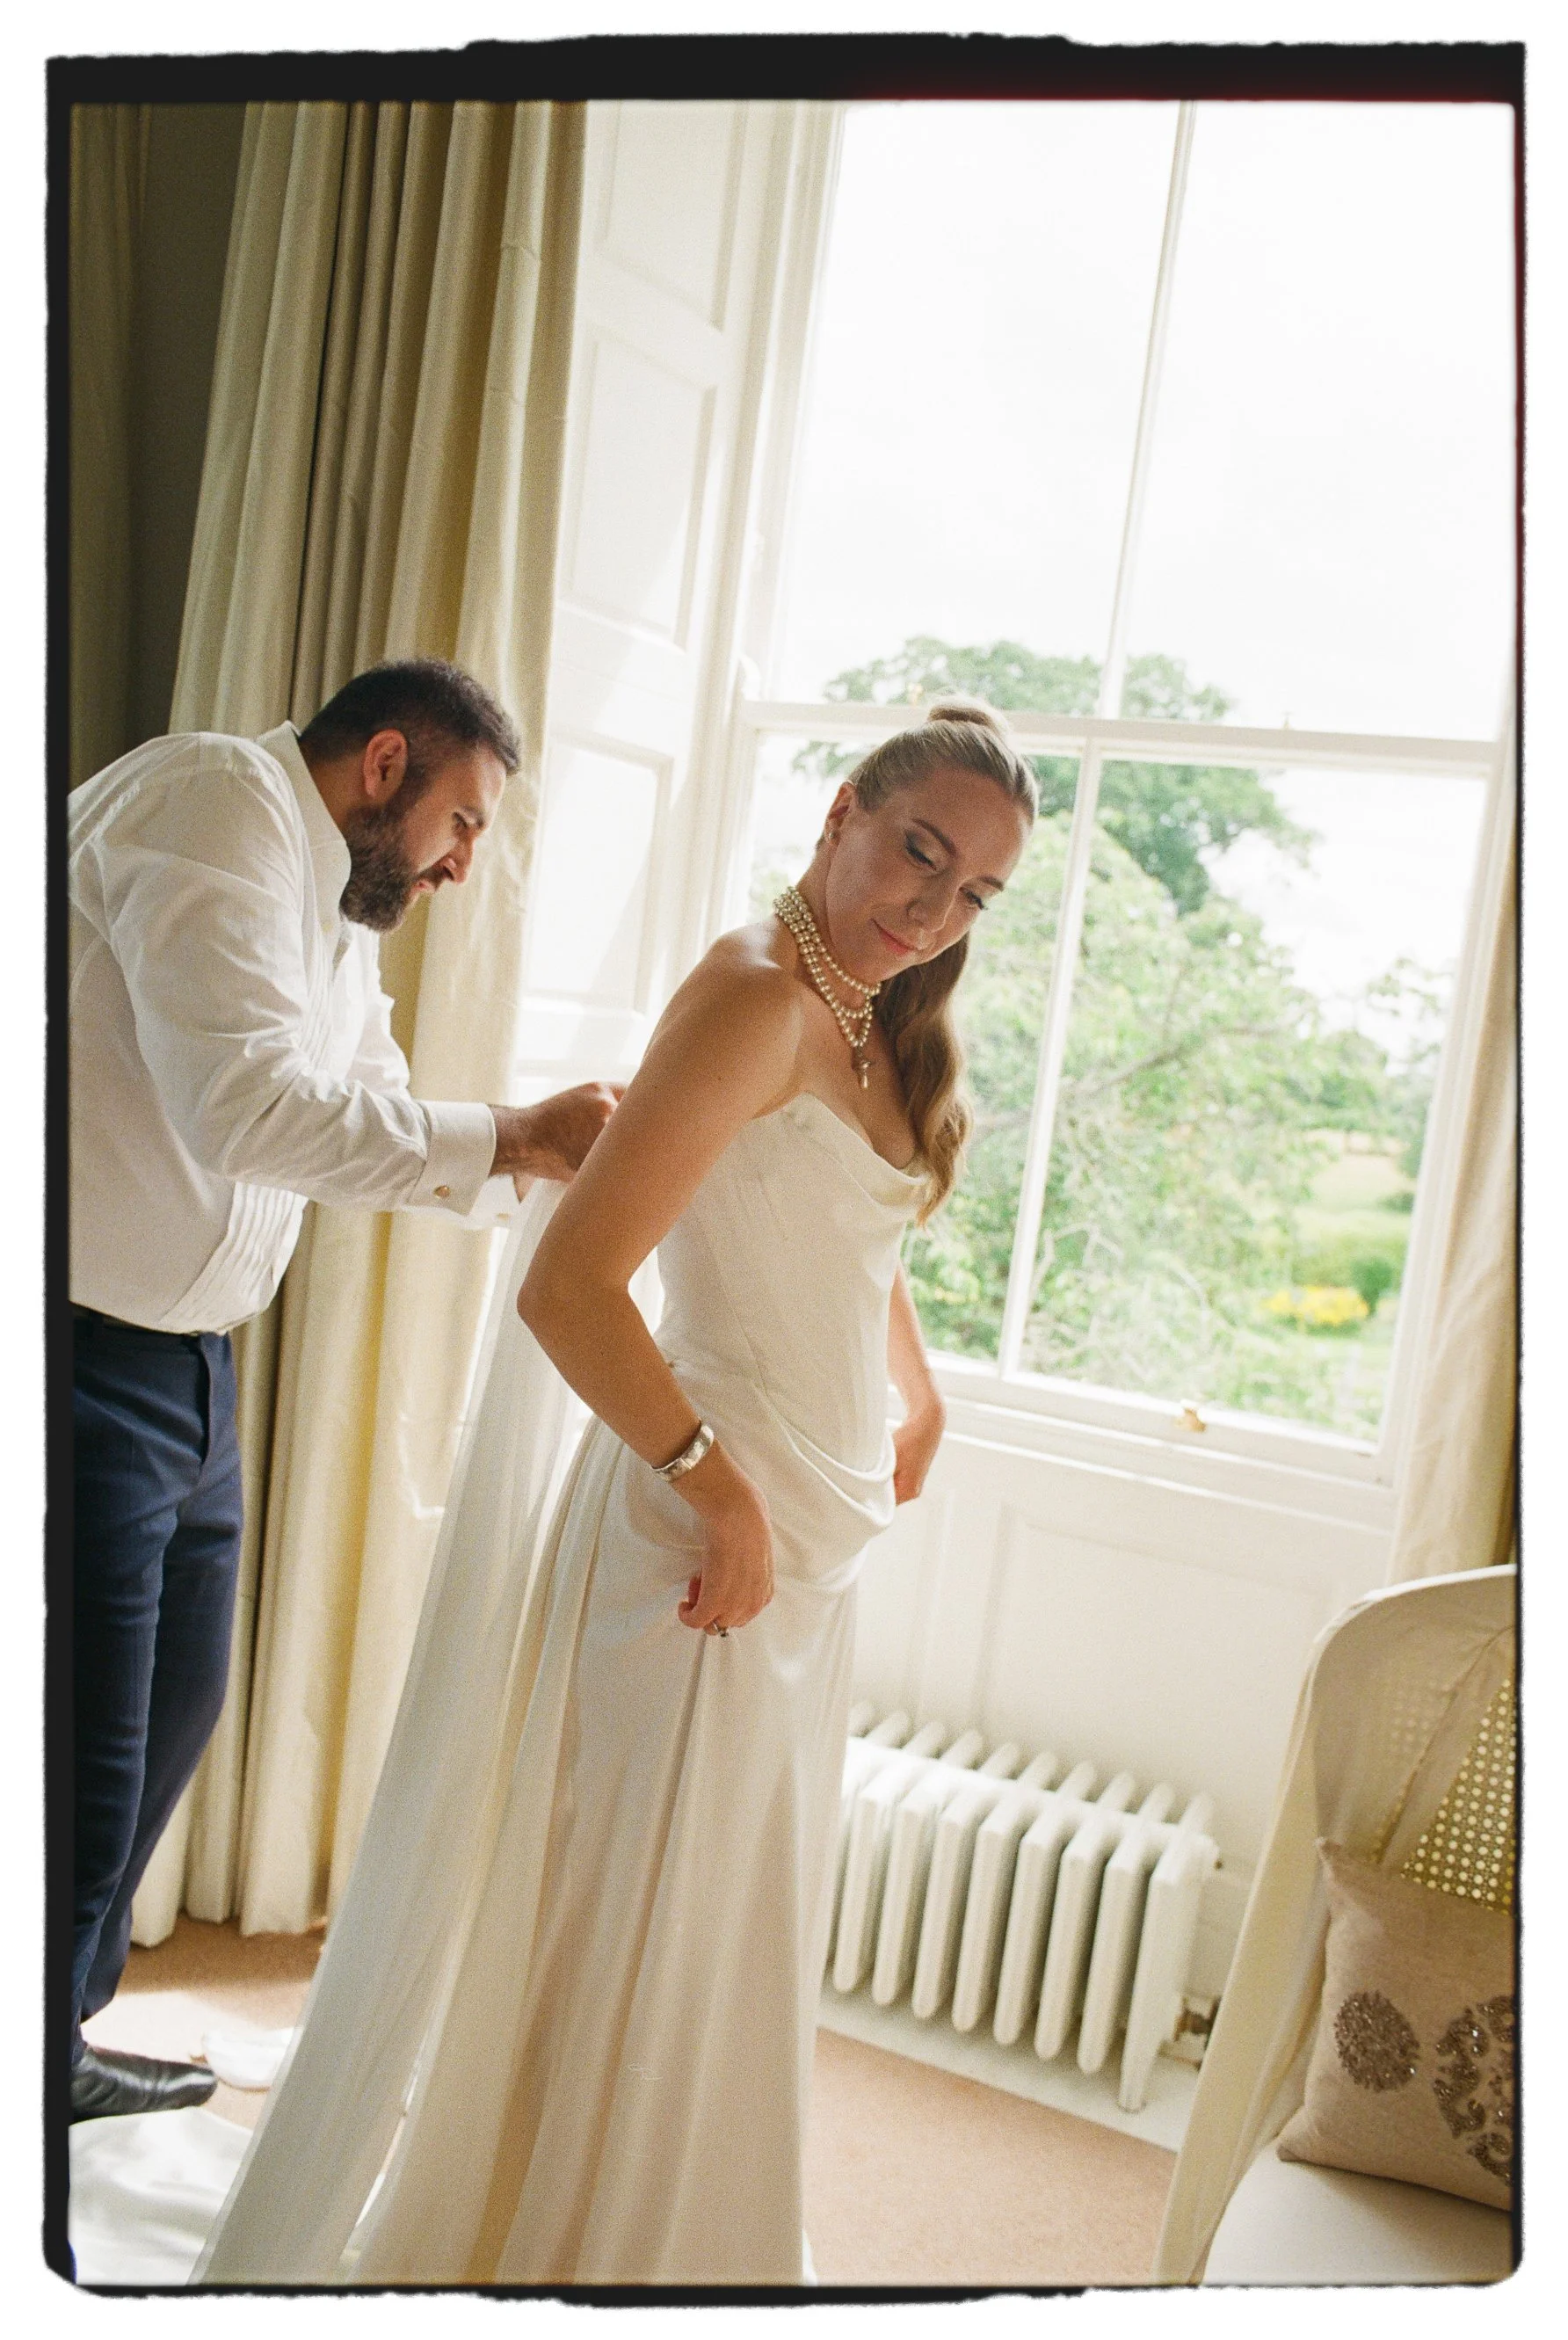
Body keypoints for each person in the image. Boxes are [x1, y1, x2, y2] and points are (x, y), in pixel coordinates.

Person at [192, 700, 1036, 2287]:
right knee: (634, 1954)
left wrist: (922, 1385)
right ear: (845, 806)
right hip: (699, 1551)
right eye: (921, 851)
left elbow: (845, 1220)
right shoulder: (751, 995)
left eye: (977, 894)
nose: (934, 909)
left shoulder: (872, 1014)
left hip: (806, 1555)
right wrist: (716, 1494)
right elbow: (573, 1284)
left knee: (719, 1942)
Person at [68, 658, 619, 2124]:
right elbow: (246, 1108)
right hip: (76, 1358)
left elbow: (373, 1103)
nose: (459, 866)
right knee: (77, 1760)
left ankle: (47, 2047)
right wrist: (514, 1134)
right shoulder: (211, 807)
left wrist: (550, 1173)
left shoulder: (333, 907)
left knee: (165, 1732)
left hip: (192, 1374)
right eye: (464, 823)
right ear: (386, 765)